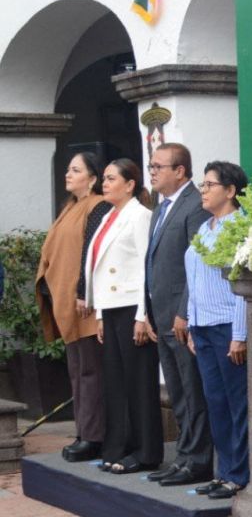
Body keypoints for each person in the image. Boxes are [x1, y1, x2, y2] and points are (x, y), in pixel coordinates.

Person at [84, 158, 162, 474]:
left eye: (112, 178)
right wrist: (100, 313)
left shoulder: (140, 216)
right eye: (104, 178)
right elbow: (100, 269)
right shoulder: (107, 216)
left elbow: (147, 267)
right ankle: (118, 447)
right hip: (112, 307)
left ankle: (145, 452)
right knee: (115, 381)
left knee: (139, 382)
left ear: (130, 184)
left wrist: (144, 315)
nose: (105, 183)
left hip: (133, 307)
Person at [145, 142, 213, 487]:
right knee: (176, 391)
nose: (152, 171)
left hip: (182, 317)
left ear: (180, 171)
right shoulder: (160, 208)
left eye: (158, 166)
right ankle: (183, 456)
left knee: (192, 389)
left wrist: (184, 312)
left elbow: (196, 265)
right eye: (151, 165)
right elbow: (153, 264)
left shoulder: (193, 207)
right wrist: (149, 311)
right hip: (161, 315)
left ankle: (198, 460)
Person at [35, 152, 110, 463]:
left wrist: (82, 292)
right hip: (68, 303)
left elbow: (90, 255)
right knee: (77, 371)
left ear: (92, 178)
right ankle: (83, 431)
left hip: (85, 305)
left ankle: (94, 437)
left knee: (91, 371)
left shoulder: (97, 206)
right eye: (68, 169)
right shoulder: (71, 207)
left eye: (75, 170)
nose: (68, 174)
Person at [184, 161, 250, 500]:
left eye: (210, 185)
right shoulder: (204, 228)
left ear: (230, 190)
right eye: (203, 185)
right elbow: (196, 282)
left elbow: (243, 285)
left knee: (237, 403)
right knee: (216, 402)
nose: (204, 190)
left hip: (227, 327)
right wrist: (193, 325)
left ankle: (238, 474)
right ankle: (223, 471)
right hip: (204, 327)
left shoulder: (242, 227)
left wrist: (240, 334)